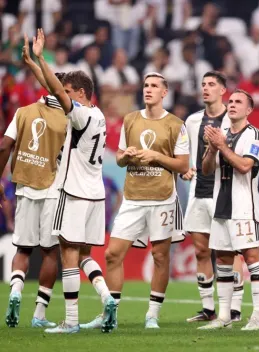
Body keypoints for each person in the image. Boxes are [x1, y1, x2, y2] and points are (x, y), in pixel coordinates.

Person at [82, 72, 189, 330]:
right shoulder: (130, 119)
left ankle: (152, 315)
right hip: (133, 197)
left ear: (165, 92)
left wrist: (156, 157)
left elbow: (183, 164)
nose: (148, 89)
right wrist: (127, 156)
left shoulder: (176, 124)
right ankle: (112, 313)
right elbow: (118, 157)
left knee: (161, 256)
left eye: (154, 86)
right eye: (145, 85)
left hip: (162, 198)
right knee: (112, 254)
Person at [32, 28, 117, 334]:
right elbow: (55, 89)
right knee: (83, 255)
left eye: (68, 91)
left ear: (79, 93)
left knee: (67, 253)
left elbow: (59, 93)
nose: (63, 95)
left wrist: (42, 57)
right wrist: (35, 65)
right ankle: (107, 297)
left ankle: (70, 321)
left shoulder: (79, 115)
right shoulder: (98, 115)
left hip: (74, 192)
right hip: (95, 194)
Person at [1, 38, 67, 328]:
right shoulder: (68, 117)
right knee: (51, 252)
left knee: (23, 249)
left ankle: (15, 291)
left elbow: (4, 145)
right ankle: (39, 313)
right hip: (53, 189)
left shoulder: (23, 111)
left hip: (25, 187)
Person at [199, 89, 259, 331]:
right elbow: (206, 170)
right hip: (221, 206)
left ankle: (257, 317)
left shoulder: (255, 135)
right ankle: (224, 317)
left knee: (251, 259)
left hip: (244, 207)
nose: (233, 105)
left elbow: (244, 166)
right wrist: (212, 148)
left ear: (249, 110)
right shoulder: (223, 134)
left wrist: (222, 146)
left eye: (239, 102)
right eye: (231, 101)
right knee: (224, 261)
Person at [182, 71, 245, 323]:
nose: (205, 88)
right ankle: (208, 308)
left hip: (225, 191)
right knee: (200, 250)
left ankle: (236, 308)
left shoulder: (232, 120)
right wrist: (185, 168)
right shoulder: (192, 120)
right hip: (198, 191)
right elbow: (186, 153)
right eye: (203, 84)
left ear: (223, 91)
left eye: (211, 85)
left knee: (231, 251)